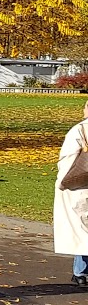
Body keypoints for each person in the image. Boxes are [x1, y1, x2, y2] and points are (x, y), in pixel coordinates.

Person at [55, 99, 88, 285]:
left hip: (81, 185)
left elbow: (68, 158)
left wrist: (62, 182)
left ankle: (81, 272)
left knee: (81, 227)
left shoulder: (80, 130)